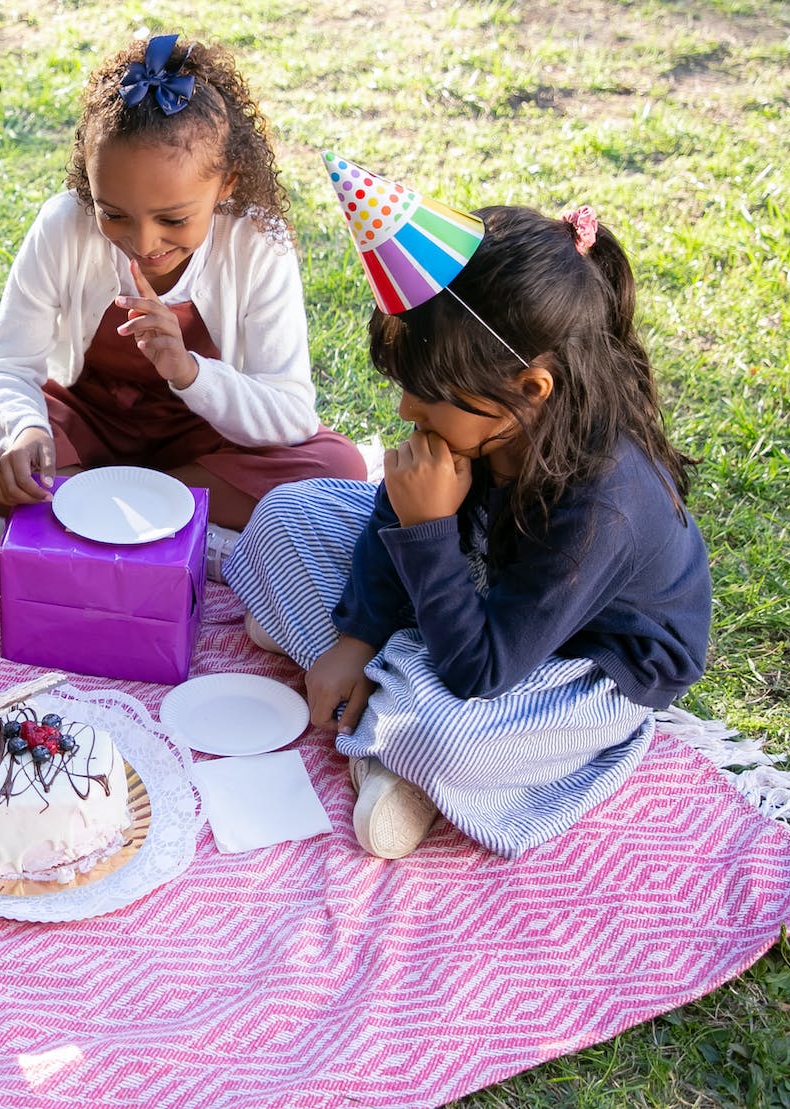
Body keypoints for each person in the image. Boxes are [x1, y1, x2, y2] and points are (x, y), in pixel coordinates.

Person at [224, 182, 712, 861]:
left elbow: (480, 671)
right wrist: (360, 636)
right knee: (284, 515)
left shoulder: (604, 506)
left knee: (446, 733)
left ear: (529, 390)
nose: (404, 411)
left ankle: (402, 756)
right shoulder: (486, 426)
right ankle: (375, 687)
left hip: (571, 665)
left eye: (427, 394)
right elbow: (384, 522)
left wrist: (428, 531)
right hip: (477, 595)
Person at [0, 33, 367, 581]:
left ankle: (65, 523)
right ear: (89, 185)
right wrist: (24, 432)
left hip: (204, 446)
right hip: (82, 430)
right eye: (113, 214)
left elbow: (291, 412)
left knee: (338, 469)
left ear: (226, 184)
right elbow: (7, 366)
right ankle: (175, 533)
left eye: (174, 219)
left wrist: (189, 373)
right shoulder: (63, 224)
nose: (143, 241)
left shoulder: (257, 242)